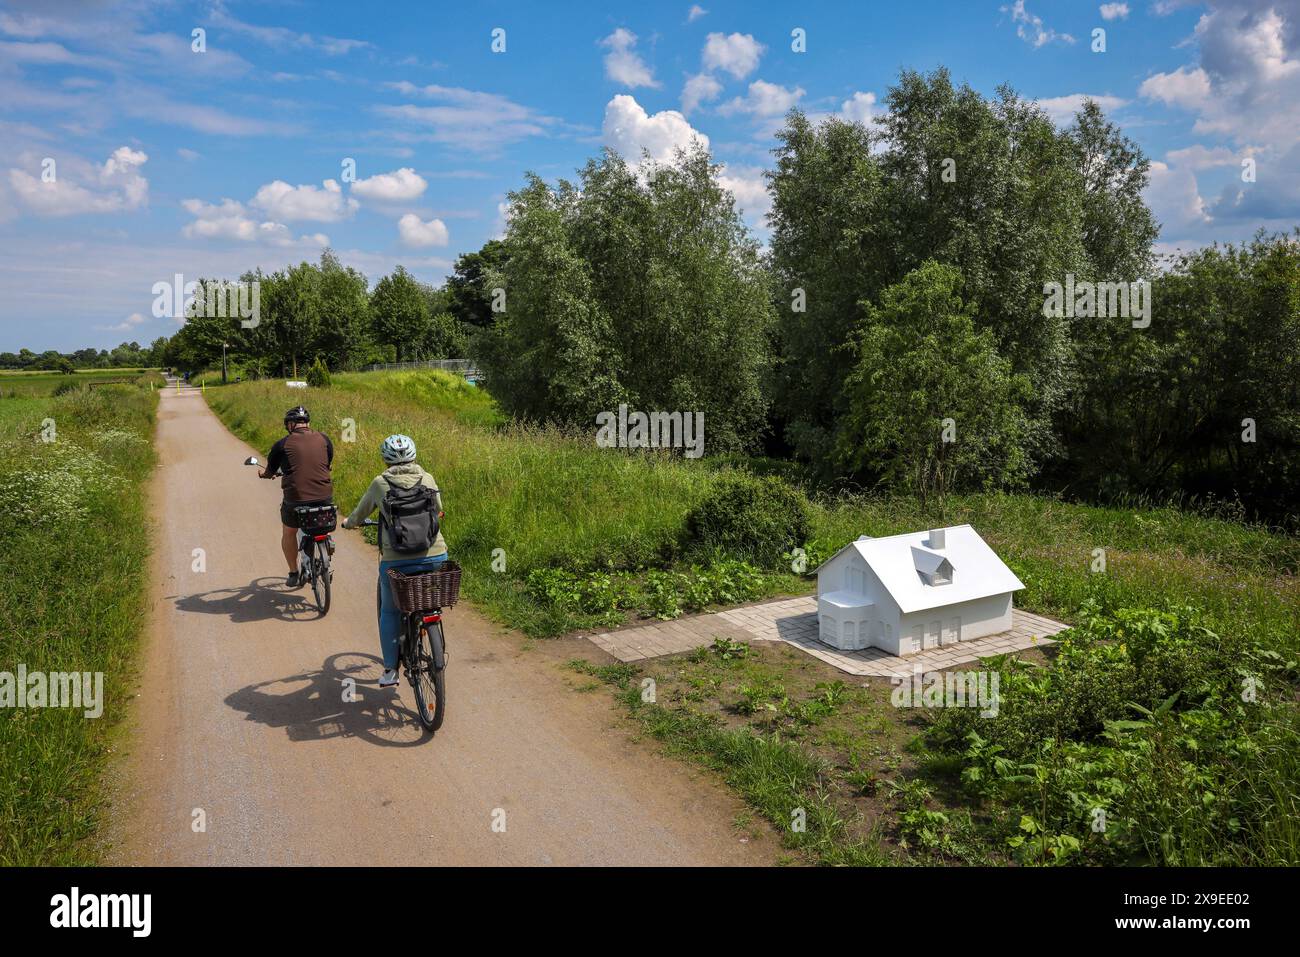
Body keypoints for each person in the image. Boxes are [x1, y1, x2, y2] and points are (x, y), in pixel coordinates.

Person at [341, 434, 447, 688]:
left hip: (396, 562)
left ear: (385, 459)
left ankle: (391, 670)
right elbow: (439, 509)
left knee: (389, 611)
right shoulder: (428, 478)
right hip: (435, 555)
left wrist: (348, 523)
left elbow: (360, 513)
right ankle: (431, 631)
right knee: (429, 601)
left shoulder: (380, 483)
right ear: (414, 455)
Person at [259, 406, 334, 588]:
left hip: (296, 500)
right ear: (307, 422)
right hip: (325, 496)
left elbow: (270, 470)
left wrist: (264, 474)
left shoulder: (282, 444)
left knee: (289, 532)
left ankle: (294, 572)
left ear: (290, 425)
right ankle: (326, 547)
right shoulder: (324, 439)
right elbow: (328, 461)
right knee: (322, 523)